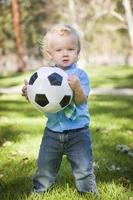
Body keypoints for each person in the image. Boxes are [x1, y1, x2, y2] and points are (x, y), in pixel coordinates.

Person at [22, 24, 97, 195]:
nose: (65, 53)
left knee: (84, 168)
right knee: (45, 166)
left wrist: (77, 88)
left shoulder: (80, 75)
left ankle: (88, 193)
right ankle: (40, 190)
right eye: (59, 50)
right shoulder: (45, 75)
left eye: (70, 49)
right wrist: (30, 92)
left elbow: (80, 101)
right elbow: (40, 99)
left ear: (78, 52)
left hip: (78, 132)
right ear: (50, 54)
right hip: (53, 132)